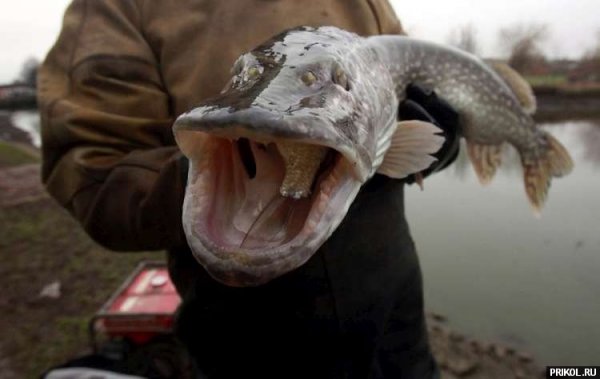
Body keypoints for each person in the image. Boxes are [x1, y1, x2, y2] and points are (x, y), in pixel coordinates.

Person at [39, 1, 459, 378]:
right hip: (246, 344)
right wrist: (221, 173)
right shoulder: (119, 6)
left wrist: (436, 143)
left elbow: (409, 96)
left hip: (395, 320)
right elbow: (91, 169)